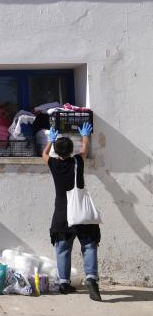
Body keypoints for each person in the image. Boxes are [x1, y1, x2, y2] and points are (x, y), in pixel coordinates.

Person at [41, 122, 101, 301]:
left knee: (63, 248)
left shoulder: (53, 164)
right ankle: (91, 278)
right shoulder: (77, 161)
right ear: (70, 150)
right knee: (89, 245)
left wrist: (50, 140)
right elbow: (84, 150)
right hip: (81, 212)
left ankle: (64, 283)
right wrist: (85, 135)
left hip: (62, 213)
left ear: (57, 153)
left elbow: (43, 154)